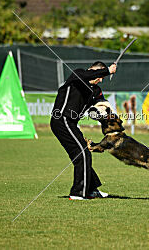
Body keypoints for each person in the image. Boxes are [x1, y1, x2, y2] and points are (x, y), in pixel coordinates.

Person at [50, 61, 117, 200]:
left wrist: (108, 118)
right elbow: (89, 75)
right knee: (82, 154)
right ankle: (78, 193)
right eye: (100, 76)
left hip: (72, 123)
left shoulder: (96, 90)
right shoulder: (78, 75)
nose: (100, 80)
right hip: (61, 120)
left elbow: (100, 108)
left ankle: (91, 189)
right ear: (94, 70)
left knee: (82, 154)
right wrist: (108, 71)